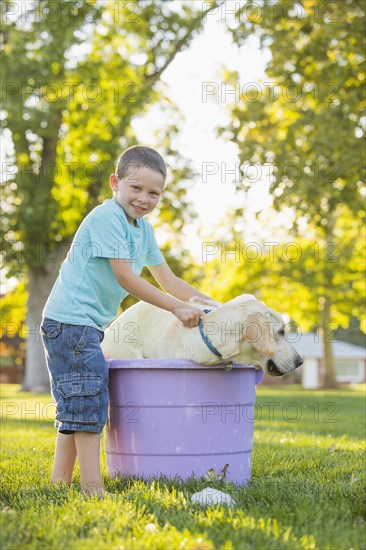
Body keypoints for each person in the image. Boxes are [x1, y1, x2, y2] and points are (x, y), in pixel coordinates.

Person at [40, 145, 215, 497]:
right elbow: (127, 279)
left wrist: (215, 307)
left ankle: (59, 483)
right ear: (115, 183)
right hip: (70, 324)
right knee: (89, 403)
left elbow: (170, 281)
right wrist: (176, 309)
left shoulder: (143, 230)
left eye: (154, 193)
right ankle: (92, 487)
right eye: (136, 188)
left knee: (79, 402)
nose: (144, 199)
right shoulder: (108, 218)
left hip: (86, 327)